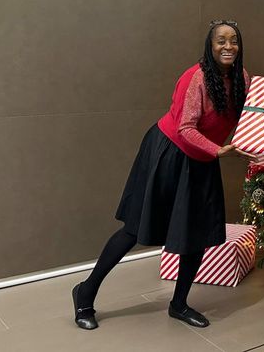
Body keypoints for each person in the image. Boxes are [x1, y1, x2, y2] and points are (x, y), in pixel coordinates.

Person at [71, 20, 254, 330]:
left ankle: (179, 304)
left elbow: (251, 116)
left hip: (203, 158)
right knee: (134, 228)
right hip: (169, 153)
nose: (228, 46)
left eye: (233, 41)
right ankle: (85, 292)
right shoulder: (195, 78)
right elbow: (185, 128)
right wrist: (219, 151)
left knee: (195, 233)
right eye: (220, 41)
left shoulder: (241, 78)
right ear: (210, 47)